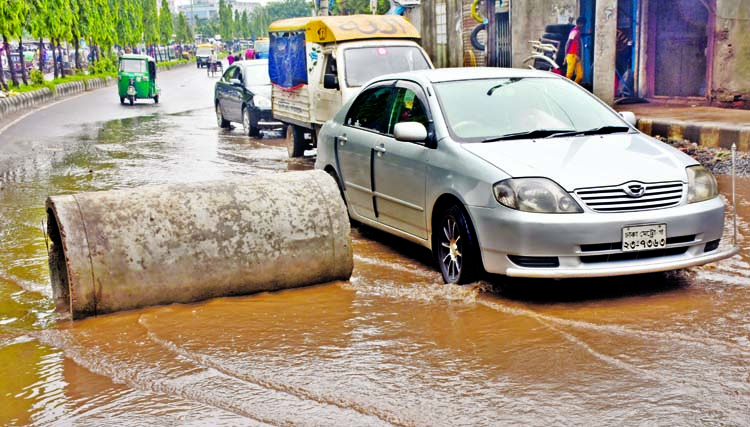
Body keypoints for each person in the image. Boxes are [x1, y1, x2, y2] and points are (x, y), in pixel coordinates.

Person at [563, 16, 586, 84]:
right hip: (571, 55)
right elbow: (568, 43)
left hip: (576, 56)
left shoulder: (578, 32)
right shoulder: (574, 32)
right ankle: (565, 88)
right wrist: (565, 56)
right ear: (579, 23)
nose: (583, 26)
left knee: (580, 76)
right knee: (569, 74)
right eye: (582, 24)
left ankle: (573, 86)